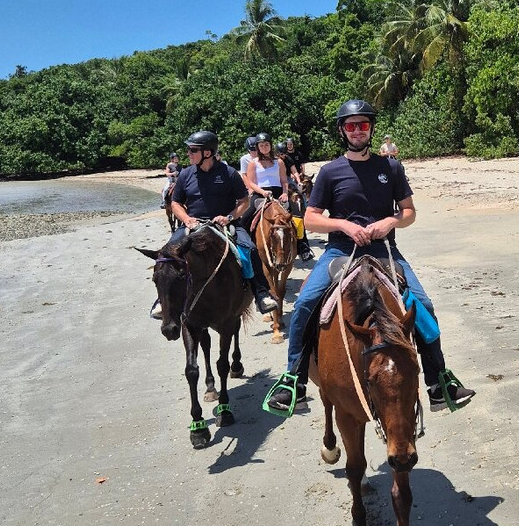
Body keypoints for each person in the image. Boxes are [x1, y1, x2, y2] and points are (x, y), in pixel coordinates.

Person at [264, 99, 475, 416]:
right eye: (351, 126)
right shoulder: (330, 172)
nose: (357, 131)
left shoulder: (391, 168)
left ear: (371, 128)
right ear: (342, 131)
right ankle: (294, 379)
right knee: (305, 302)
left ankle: (437, 381)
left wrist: (390, 221)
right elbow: (310, 219)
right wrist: (344, 225)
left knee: (424, 304)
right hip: (340, 251)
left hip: (384, 251)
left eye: (363, 125)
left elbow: (408, 212)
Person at [150, 130, 277, 318]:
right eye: (189, 150)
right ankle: (162, 300)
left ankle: (261, 293)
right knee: (166, 254)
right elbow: (176, 203)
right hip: (192, 224)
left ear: (207, 153)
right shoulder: (186, 174)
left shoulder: (229, 173)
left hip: (226, 224)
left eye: (193, 150)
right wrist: (186, 219)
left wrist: (229, 217)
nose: (188, 153)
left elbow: (244, 201)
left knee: (249, 249)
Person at [237, 133, 288, 232]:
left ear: (271, 145)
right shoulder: (253, 163)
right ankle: (243, 238)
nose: (264, 147)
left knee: (296, 214)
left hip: (278, 192)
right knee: (246, 217)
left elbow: (284, 181)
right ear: (258, 147)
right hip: (260, 192)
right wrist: (263, 192)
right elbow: (251, 183)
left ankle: (302, 240)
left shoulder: (279, 162)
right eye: (261, 145)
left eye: (266, 145)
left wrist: (285, 193)